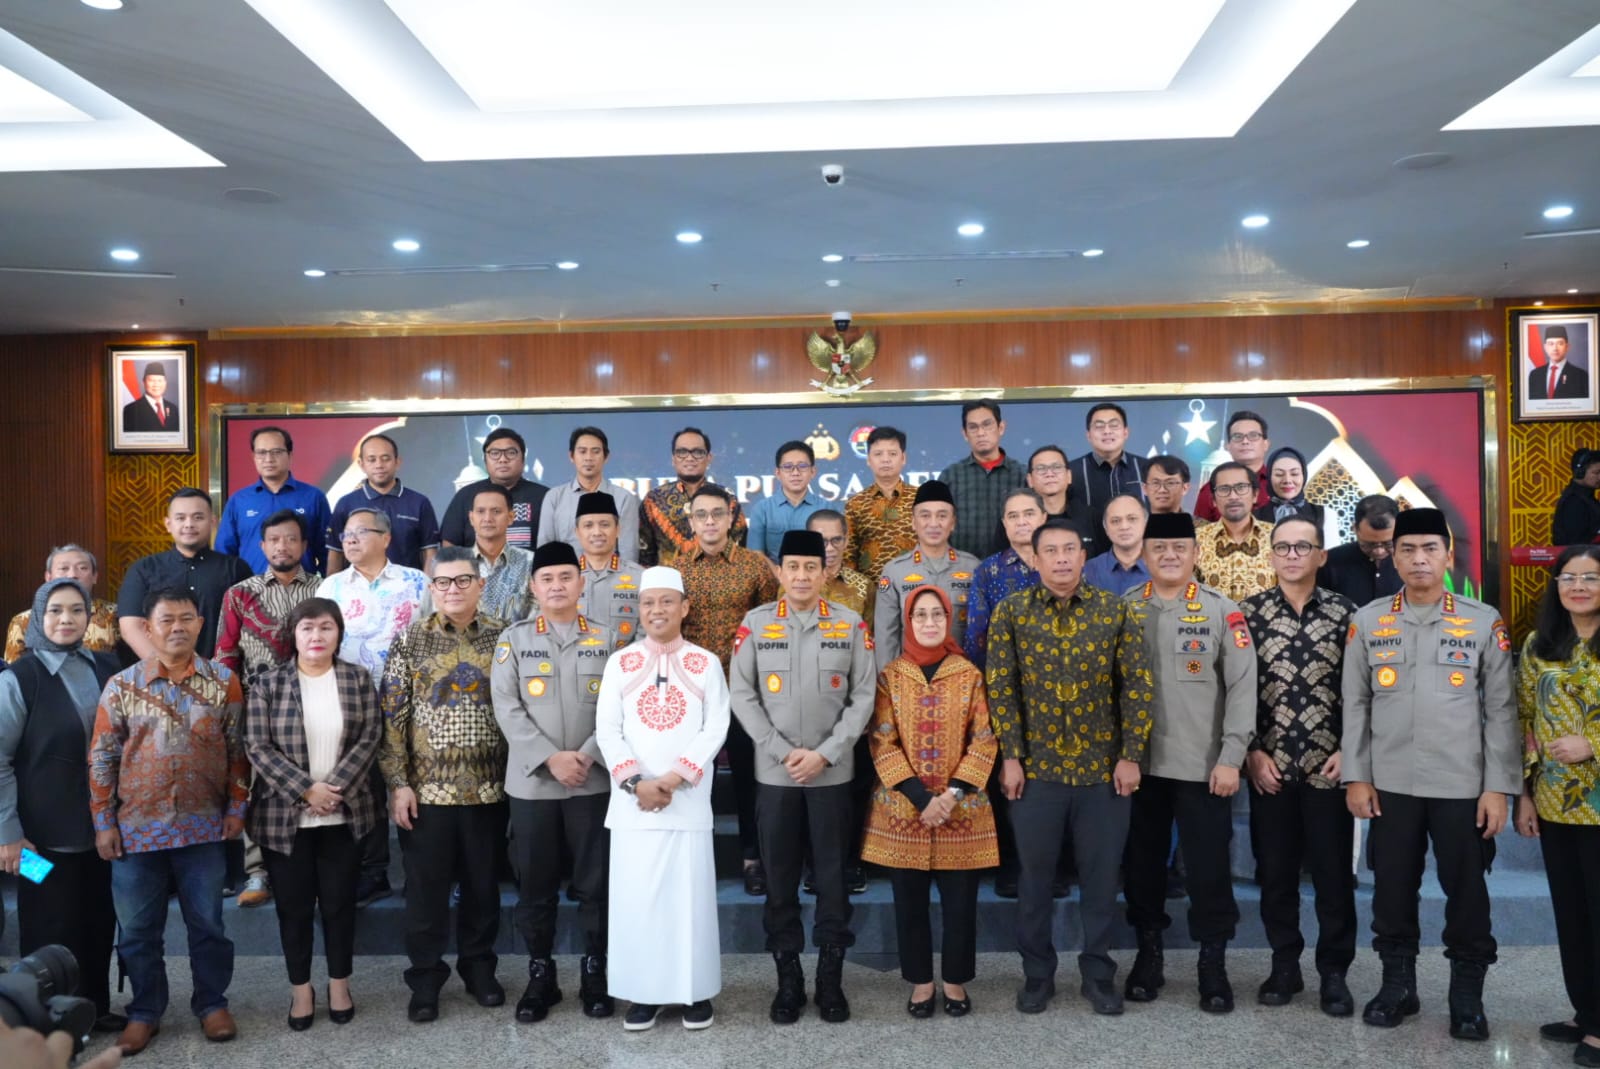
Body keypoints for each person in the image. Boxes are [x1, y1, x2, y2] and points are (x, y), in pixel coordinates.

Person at [1342, 507, 1518, 1041]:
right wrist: (1356, 775)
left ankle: (1466, 996)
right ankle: (1397, 986)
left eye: (1429, 549)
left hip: (1461, 785)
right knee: (1392, 890)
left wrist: (1497, 787)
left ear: (1447, 555)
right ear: (1391, 556)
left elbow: (1503, 709)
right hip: (1390, 784)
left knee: (1466, 894)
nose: (1419, 559)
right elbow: (1355, 703)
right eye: (1407, 550)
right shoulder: (1369, 620)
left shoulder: (1482, 620)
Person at [987, 520, 1153, 1015]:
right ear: (1034, 560)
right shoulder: (1011, 612)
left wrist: (1130, 755)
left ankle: (1099, 975)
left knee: (1101, 882)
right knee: (1035, 882)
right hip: (1035, 775)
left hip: (1103, 774)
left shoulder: (1115, 610)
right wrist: (1011, 757)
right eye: (1050, 551)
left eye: (1069, 549)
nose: (1061, 558)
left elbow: (1137, 687)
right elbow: (1001, 688)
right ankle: (1037, 975)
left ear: (1084, 558)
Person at [89, 588, 248, 1055]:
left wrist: (238, 808)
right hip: (136, 829)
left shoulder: (224, 682)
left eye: (186, 618)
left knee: (209, 926)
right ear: (149, 628)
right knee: (138, 932)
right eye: (166, 619)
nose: (177, 627)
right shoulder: (122, 685)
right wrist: (103, 823)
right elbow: (102, 759)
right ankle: (144, 1011)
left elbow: (239, 753)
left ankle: (212, 1003)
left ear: (201, 624)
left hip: (205, 828)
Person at [730, 530, 876, 1025]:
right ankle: (788, 979)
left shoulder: (851, 624)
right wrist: (781, 751)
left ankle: (830, 980)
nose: (800, 576)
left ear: (824, 571)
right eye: (792, 566)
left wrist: (827, 753)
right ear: (780, 570)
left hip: (832, 776)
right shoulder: (755, 624)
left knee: (833, 880)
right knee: (780, 882)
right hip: (775, 776)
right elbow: (742, 695)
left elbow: (863, 697)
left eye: (810, 567)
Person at [1123, 512, 1256, 1014]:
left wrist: (1231, 757)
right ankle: (1148, 955)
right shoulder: (1126, 609)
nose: (1170, 556)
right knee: (1142, 867)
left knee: (1209, 870)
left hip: (1204, 767)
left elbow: (1243, 689)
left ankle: (1212, 962)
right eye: (1159, 548)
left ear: (1196, 553)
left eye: (1180, 547)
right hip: (1140, 768)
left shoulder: (1224, 612)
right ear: (1144, 555)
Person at [595, 566, 730, 1031]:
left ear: (684, 607)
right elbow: (607, 731)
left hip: (686, 802)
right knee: (638, 905)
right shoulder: (621, 663)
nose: (657, 610)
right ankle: (644, 996)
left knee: (688, 904)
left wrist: (672, 780)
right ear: (639, 608)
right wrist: (638, 783)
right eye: (648, 602)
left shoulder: (706, 662)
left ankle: (694, 995)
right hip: (633, 806)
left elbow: (716, 727)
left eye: (667, 601)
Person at [379, 547, 511, 1023]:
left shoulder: (504, 637)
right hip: (427, 792)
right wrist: (398, 784)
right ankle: (426, 979)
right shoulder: (409, 640)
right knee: (426, 894)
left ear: (479, 584)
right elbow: (392, 718)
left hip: (490, 790)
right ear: (431, 588)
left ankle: (479, 969)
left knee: (483, 889)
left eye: (462, 580)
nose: (452, 589)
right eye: (443, 582)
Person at [491, 542, 617, 1024]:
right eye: (548, 579)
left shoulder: (608, 639)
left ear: (581, 583)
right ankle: (540, 974)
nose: (558, 586)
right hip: (534, 786)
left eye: (567, 577)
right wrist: (550, 758)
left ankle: (594, 972)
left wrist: (584, 756)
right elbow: (507, 706)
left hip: (592, 781)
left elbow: (616, 709)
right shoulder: (514, 639)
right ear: (534, 586)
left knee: (594, 886)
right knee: (535, 888)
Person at [244, 598, 382, 1032]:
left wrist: (331, 789)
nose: (317, 636)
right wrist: (306, 789)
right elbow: (257, 745)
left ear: (339, 633)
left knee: (340, 906)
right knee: (294, 908)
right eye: (307, 628)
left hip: (343, 814)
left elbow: (369, 736)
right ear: (294, 634)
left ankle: (339, 984)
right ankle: (300, 989)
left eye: (326, 627)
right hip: (286, 819)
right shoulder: (269, 683)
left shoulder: (357, 679)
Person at [1239, 516, 1358, 1015]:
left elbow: (1362, 692)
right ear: (1271, 556)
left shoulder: (1348, 613)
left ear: (1321, 555)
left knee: (1333, 879)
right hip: (1270, 770)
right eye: (1283, 547)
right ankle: (1284, 964)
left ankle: (1334, 973)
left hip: (1329, 770)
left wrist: (1352, 749)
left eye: (1302, 547)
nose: (1291, 555)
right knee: (1277, 875)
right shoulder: (1247, 614)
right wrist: (1249, 752)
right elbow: (1234, 691)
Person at [862, 585, 998, 1018]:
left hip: (962, 810)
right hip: (905, 810)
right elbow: (882, 739)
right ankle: (921, 981)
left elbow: (985, 739)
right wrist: (922, 798)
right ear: (908, 621)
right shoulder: (891, 675)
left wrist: (953, 793)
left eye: (937, 615)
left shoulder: (969, 674)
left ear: (947, 620)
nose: (929, 623)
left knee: (961, 905)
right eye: (920, 615)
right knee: (910, 903)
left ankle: (955, 980)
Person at [0, 579, 125, 1034]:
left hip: (101, 830)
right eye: (55, 610)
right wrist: (7, 834)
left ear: (89, 617)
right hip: (33, 838)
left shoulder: (108, 668)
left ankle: (94, 1007)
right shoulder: (18, 678)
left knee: (96, 918)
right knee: (48, 922)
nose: (66, 619)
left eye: (76, 610)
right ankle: (48, 1020)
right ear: (37, 617)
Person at [316, 506, 429, 907]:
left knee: (409, 786)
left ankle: (422, 876)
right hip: (352, 703)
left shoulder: (417, 582)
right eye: (346, 533)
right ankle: (373, 871)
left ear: (386, 537)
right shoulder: (329, 587)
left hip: (411, 704)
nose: (349, 539)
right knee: (362, 788)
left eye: (360, 532)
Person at [1514, 545, 1600, 1066]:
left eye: (1591, 577)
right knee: (1571, 913)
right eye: (1569, 577)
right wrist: (1524, 795)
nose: (1579, 587)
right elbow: (1525, 720)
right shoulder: (1538, 644)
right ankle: (1586, 1008)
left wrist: (1594, 742)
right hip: (1553, 800)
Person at [215, 509, 324, 909]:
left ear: (304, 545)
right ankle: (258, 871)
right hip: (256, 705)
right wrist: (231, 705)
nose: (283, 546)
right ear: (262, 546)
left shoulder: (324, 590)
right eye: (275, 540)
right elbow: (225, 653)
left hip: (314, 702)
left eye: (291, 539)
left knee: (312, 780)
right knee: (258, 787)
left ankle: (308, 868)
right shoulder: (240, 594)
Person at [678, 484, 779, 895]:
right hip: (692, 690)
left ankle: (753, 859)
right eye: (701, 515)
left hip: (743, 690)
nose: (709, 522)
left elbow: (772, 625)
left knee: (747, 779)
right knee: (689, 776)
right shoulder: (676, 569)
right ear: (691, 521)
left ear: (732, 517)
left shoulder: (755, 567)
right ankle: (691, 864)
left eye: (717, 514)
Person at [117, 487, 254, 661]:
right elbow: (131, 628)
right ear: (168, 524)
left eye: (198, 517)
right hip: (159, 678)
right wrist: (167, 668)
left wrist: (218, 672)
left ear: (213, 522)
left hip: (221, 676)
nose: (189, 524)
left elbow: (250, 627)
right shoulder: (143, 569)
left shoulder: (236, 568)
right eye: (180, 518)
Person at [875, 480, 981, 672]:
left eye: (942, 516)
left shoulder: (973, 568)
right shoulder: (894, 572)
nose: (934, 523)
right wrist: (888, 682)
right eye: (925, 515)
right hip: (910, 676)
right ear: (913, 522)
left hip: (961, 676)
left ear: (953, 522)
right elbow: (886, 636)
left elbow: (980, 632)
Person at [216, 426, 331, 576]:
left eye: (276, 452)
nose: (269, 459)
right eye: (261, 453)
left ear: (290, 455)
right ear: (254, 457)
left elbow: (327, 551)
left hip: (302, 590)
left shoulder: (313, 497)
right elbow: (224, 553)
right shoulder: (239, 501)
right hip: (250, 592)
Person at [326, 432, 440, 574]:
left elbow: (429, 553)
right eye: (371, 460)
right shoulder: (346, 504)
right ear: (361, 464)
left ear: (397, 462)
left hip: (407, 590)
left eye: (385, 459)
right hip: (357, 591)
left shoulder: (419, 502)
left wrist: (426, 590)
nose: (379, 465)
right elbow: (336, 554)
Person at [639, 426, 747, 567]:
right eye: (682, 452)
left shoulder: (727, 499)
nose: (689, 458)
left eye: (698, 452)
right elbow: (644, 555)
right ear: (673, 459)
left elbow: (739, 550)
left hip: (717, 583)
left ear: (709, 458)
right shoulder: (654, 500)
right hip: (667, 584)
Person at [429, 485, 533, 621]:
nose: (488, 518)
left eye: (496, 511)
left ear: (511, 517)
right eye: (480, 511)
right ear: (471, 518)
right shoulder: (454, 565)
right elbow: (441, 616)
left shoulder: (531, 562)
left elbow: (537, 620)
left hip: (518, 641)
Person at [939, 401, 1026, 560]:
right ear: (965, 434)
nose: (981, 433)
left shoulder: (1022, 474)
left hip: (1013, 569)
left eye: (987, 425)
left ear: (1001, 428)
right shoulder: (950, 476)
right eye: (973, 427)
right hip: (961, 570)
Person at [537, 426, 641, 560]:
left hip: (611, 577)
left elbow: (628, 552)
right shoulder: (555, 497)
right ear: (571, 456)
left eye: (595, 451)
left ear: (606, 457)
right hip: (566, 578)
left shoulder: (623, 498)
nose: (588, 458)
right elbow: (545, 549)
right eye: (582, 451)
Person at [5, 544, 121, 663]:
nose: (72, 575)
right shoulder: (23, 621)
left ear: (95, 576)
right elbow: (14, 673)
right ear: (48, 577)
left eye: (82, 568)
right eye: (64, 568)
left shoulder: (116, 615)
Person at [439, 427, 549, 551]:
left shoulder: (545, 497)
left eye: (511, 453)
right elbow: (449, 544)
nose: (503, 459)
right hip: (474, 569)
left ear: (523, 459)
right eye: (495, 453)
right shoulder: (465, 495)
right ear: (485, 460)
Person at [844, 425, 916, 587]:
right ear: (869, 459)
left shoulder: (920, 499)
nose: (885, 459)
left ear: (903, 458)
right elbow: (848, 555)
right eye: (878, 454)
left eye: (892, 454)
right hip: (871, 592)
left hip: (915, 588)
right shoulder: (855, 504)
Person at [1195, 462, 1277, 601]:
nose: (1233, 496)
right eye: (1224, 489)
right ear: (1213, 500)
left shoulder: (1278, 538)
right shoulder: (1195, 540)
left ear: (1255, 495)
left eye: (1241, 487)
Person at [1066, 404, 1145, 544]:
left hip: (1142, 557)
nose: (1107, 431)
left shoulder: (1147, 468)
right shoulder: (1070, 472)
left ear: (1126, 432)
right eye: (1099, 426)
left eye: (1114, 425)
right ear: (1088, 435)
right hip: (1089, 558)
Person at [573, 492, 643, 647]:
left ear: (618, 530)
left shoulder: (641, 578)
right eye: (588, 525)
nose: (597, 532)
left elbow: (646, 632)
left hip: (626, 667)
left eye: (605, 525)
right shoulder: (563, 578)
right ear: (577, 532)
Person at [747, 440, 825, 562]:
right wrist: (781, 577)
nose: (795, 473)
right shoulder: (762, 509)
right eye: (788, 467)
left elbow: (831, 554)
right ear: (778, 473)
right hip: (773, 579)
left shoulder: (826, 509)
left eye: (802, 466)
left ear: (813, 472)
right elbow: (756, 556)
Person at [1318, 494, 1402, 606]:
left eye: (1388, 544)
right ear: (1354, 529)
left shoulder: (1414, 562)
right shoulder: (1330, 562)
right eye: (1369, 544)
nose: (1379, 551)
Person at [1194, 412, 1272, 521]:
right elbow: (1200, 534)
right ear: (1228, 446)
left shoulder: (1280, 484)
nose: (1245, 441)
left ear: (1266, 444)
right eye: (1237, 436)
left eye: (1253, 435)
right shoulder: (1211, 489)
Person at [1082, 493, 1151, 596]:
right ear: (1106, 528)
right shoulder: (1088, 572)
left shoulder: (1166, 568)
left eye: (1132, 519)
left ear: (1146, 524)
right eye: (1115, 521)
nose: (1124, 526)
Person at [808, 509, 870, 618]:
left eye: (836, 540)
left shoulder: (864, 585)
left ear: (846, 541)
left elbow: (870, 632)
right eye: (821, 541)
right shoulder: (794, 584)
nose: (830, 548)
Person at [1255, 446, 1325, 530]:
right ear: (1269, 477)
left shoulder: (1323, 513)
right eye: (1279, 474)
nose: (1287, 480)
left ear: (1304, 476)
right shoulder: (1254, 517)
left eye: (1294, 473)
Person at [1528, 324, 1591, 401]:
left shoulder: (1581, 376)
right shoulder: (1535, 375)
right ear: (1545, 347)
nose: (1555, 348)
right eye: (1551, 344)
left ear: (1567, 347)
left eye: (1560, 343)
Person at [1552, 447, 1600, 546]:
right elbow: (1577, 544)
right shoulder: (1574, 501)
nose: (1599, 477)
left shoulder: (1587, 498)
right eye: (1596, 473)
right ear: (1580, 472)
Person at [122, 362, 179, 433]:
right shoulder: (131, 410)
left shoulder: (173, 409)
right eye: (151, 380)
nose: (156, 384)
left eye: (160, 380)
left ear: (165, 382)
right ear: (144, 382)